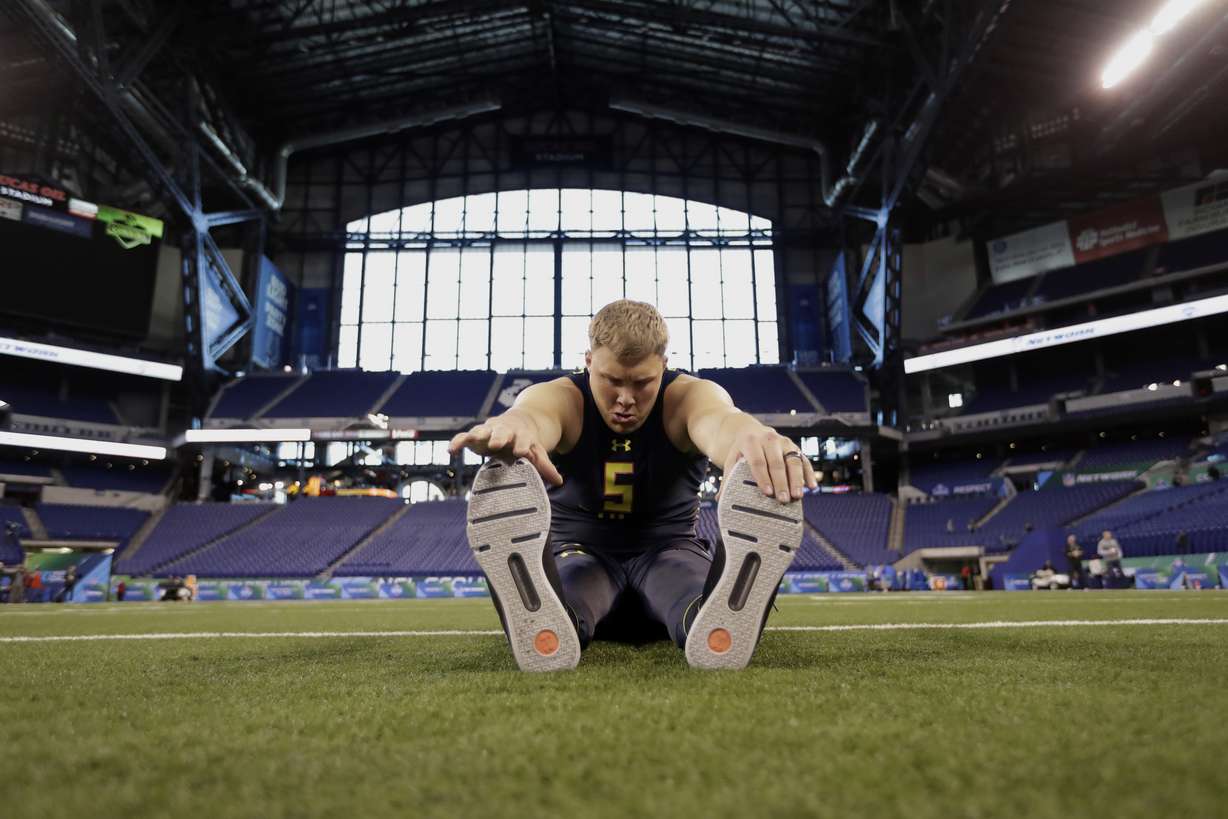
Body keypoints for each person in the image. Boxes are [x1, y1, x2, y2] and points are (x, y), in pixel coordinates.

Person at [450, 300, 817, 672]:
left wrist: (749, 436)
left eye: (642, 383)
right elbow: (533, 413)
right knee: (568, 600)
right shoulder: (563, 398)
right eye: (611, 380)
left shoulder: (688, 397)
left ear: (664, 367)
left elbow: (721, 421)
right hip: (581, 552)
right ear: (589, 362)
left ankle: (722, 623)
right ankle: (541, 618)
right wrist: (518, 429)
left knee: (693, 601)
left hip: (667, 549)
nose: (626, 399)